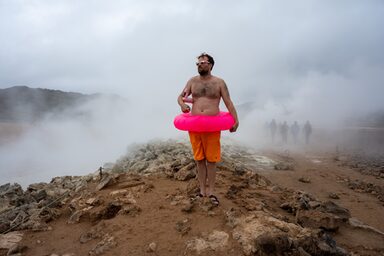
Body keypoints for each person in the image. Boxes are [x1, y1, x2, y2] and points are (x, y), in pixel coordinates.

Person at [177, 52, 239, 206]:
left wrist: (236, 120)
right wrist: (183, 105)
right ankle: (201, 191)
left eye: (203, 62)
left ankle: (211, 192)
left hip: (212, 126)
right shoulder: (192, 81)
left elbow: (228, 102)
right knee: (199, 159)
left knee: (211, 160)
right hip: (195, 125)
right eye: (198, 63)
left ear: (210, 64)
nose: (200, 65)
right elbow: (181, 96)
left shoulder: (219, 83)